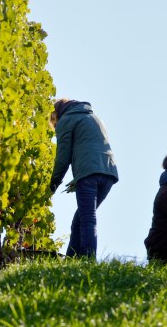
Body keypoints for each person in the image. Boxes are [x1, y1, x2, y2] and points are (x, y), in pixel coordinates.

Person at [49, 99, 119, 258]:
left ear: (56, 114)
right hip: (108, 172)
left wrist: (52, 186)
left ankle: (88, 260)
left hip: (89, 174)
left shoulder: (66, 120)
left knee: (87, 218)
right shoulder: (94, 117)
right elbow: (93, 148)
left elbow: (63, 157)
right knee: (79, 219)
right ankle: (72, 260)